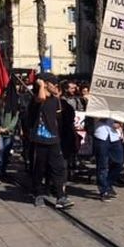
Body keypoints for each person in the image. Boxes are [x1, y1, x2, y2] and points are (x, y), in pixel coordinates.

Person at [30, 73, 73, 209]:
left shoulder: (55, 100)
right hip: (40, 140)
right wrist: (41, 84)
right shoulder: (37, 99)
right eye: (54, 84)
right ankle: (38, 194)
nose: (56, 86)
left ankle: (61, 196)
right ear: (47, 84)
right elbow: (41, 97)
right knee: (40, 168)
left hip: (54, 140)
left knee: (58, 168)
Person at [93, 117, 124, 202]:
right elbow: (94, 117)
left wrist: (120, 126)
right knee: (102, 165)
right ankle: (103, 190)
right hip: (101, 135)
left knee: (119, 162)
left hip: (114, 135)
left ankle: (108, 184)